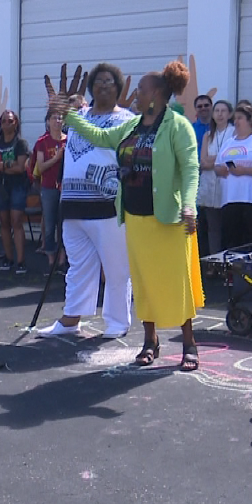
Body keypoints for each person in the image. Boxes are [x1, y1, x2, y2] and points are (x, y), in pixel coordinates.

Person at [54, 59, 203, 371]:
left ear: (158, 94)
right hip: (135, 217)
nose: (135, 93)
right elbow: (100, 136)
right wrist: (70, 116)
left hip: (169, 218)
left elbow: (190, 170)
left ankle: (189, 343)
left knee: (177, 281)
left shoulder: (178, 127)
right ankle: (150, 341)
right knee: (145, 283)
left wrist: (189, 205)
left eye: (141, 89)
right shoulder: (133, 126)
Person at [36, 62, 134, 340]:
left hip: (107, 207)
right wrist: (59, 103)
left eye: (109, 81)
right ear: (91, 88)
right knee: (78, 266)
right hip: (73, 205)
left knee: (116, 268)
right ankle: (70, 319)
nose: (103, 85)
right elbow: (58, 118)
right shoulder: (77, 116)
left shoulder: (126, 119)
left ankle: (117, 321)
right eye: (98, 81)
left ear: (119, 88)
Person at [216, 104, 252, 251]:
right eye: (234, 118)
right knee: (231, 241)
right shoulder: (228, 143)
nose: (236, 121)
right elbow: (217, 166)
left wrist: (245, 171)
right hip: (230, 200)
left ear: (250, 120)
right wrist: (220, 170)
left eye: (240, 118)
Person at [0, 110, 30, 274]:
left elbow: (20, 167)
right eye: (4, 121)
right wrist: (6, 165)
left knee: (16, 221)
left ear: (16, 123)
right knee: (3, 222)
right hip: (0, 187)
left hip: (17, 186)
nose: (7, 124)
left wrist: (0, 165)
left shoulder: (21, 144)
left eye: (10, 121)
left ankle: (21, 260)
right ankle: (8, 258)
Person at [196, 99, 233, 256]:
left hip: (227, 184)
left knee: (228, 228)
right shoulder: (208, 135)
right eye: (217, 111)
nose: (219, 114)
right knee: (212, 228)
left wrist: (214, 159)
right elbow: (203, 161)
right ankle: (212, 262)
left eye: (223, 111)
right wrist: (219, 159)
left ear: (229, 114)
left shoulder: (234, 133)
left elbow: (232, 159)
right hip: (209, 185)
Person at [33, 109, 66, 269]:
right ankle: (50, 258)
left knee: (64, 224)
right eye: (54, 118)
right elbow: (41, 167)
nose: (57, 121)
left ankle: (62, 257)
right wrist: (57, 158)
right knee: (50, 223)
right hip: (48, 187)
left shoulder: (68, 140)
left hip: (66, 188)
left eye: (60, 118)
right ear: (48, 121)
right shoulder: (42, 142)